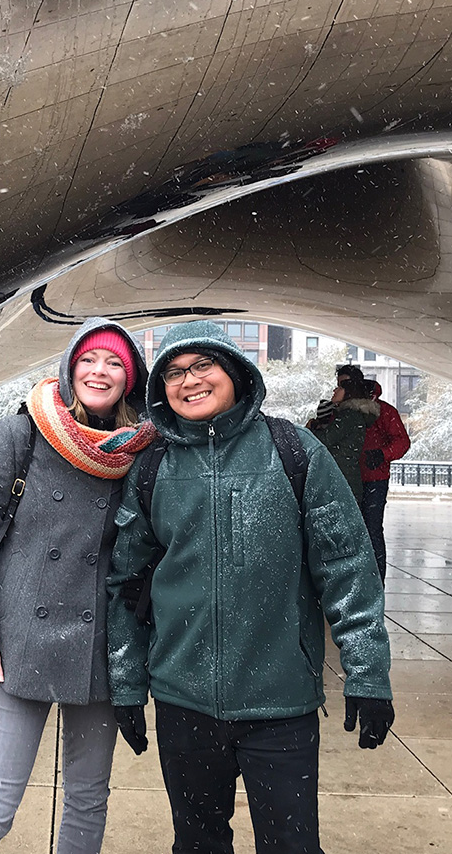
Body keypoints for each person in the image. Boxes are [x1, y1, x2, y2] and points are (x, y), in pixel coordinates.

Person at [108, 321, 393, 854]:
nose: (188, 381)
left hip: (280, 705)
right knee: (197, 844)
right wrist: (126, 685)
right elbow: (126, 585)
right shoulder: (151, 470)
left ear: (236, 372)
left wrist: (368, 675)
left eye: (201, 366)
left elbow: (348, 567)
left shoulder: (294, 451)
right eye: (172, 372)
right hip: (183, 704)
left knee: (292, 845)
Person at [0, 318, 157, 854]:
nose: (99, 371)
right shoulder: (22, 434)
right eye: (88, 359)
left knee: (88, 803)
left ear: (129, 379)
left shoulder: (142, 450)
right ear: (69, 368)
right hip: (15, 645)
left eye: (114, 362)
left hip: (99, 648)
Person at [337, 365, 411, 583]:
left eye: (345, 384)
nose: (341, 388)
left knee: (371, 529)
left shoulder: (384, 411)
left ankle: (376, 579)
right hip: (349, 479)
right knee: (351, 530)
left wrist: (382, 454)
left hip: (374, 480)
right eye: (340, 384)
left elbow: (402, 441)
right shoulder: (339, 410)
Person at [308, 378, 380, 500]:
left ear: (349, 392)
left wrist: (308, 431)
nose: (335, 390)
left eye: (340, 388)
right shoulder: (351, 414)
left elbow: (326, 439)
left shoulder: (349, 416)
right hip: (347, 477)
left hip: (342, 478)